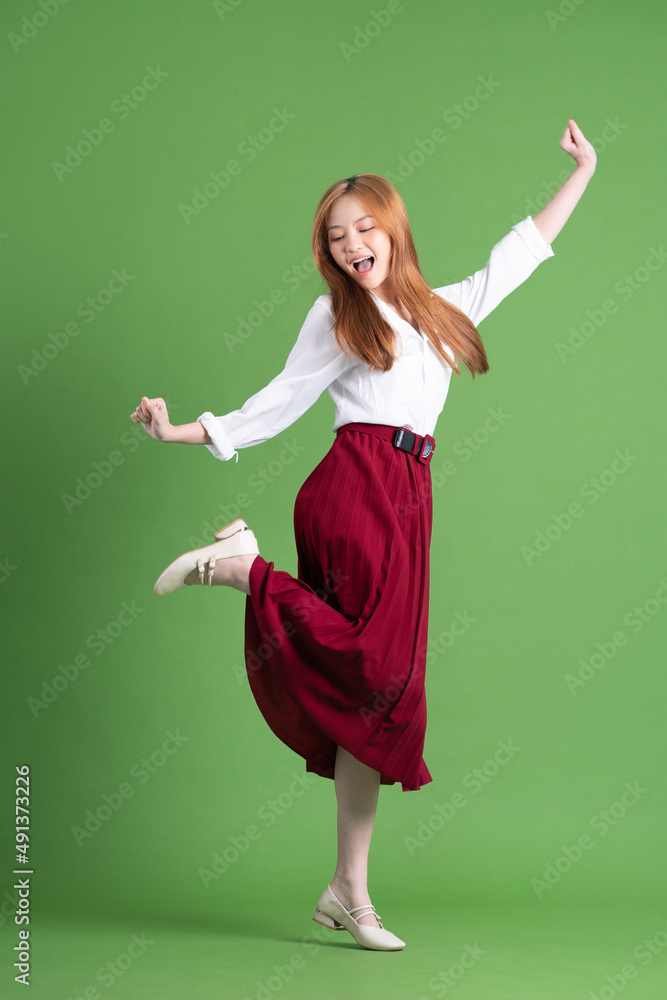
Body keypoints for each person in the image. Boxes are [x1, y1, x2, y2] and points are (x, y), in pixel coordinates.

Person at [130, 119, 597, 951]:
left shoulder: (445, 308)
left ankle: (348, 887)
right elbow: (274, 404)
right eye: (336, 237)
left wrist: (584, 169)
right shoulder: (336, 318)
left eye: (364, 228)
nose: (352, 246)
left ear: (393, 228)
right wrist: (176, 433)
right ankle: (244, 569)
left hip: (409, 498)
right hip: (356, 487)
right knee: (375, 671)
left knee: (378, 702)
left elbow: (521, 251)